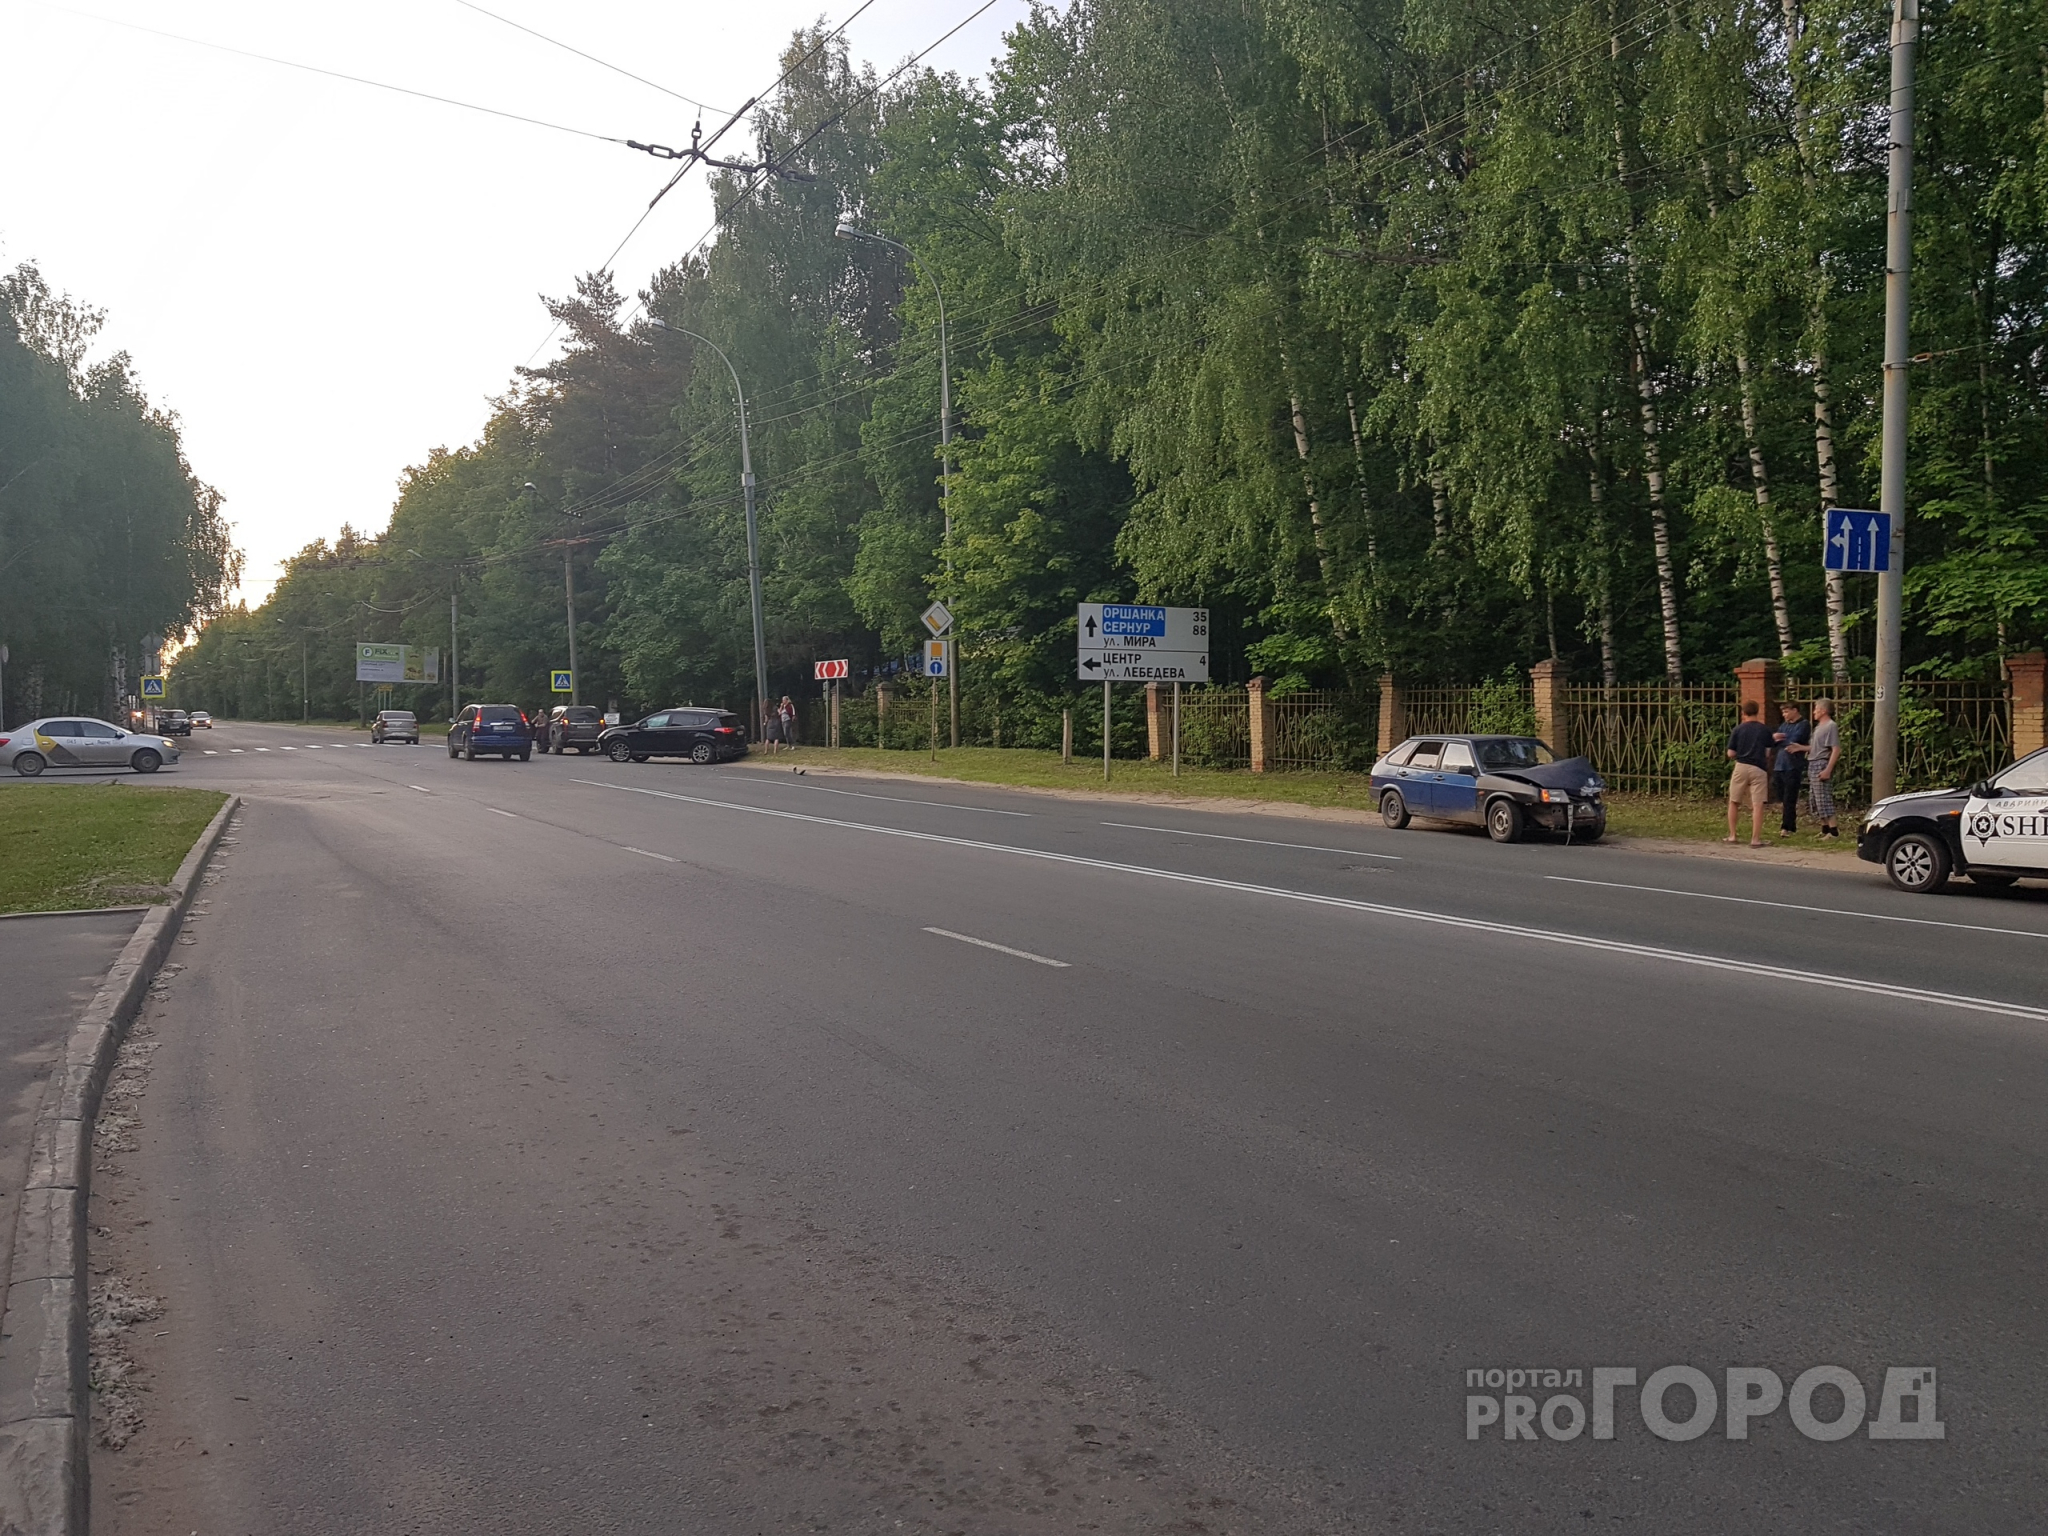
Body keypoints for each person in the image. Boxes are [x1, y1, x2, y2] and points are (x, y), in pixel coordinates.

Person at [1724, 699, 1774, 847]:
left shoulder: (1738, 730)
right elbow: (1767, 752)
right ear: (1757, 711)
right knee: (1758, 804)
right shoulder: (1765, 730)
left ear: (1743, 713)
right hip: (1758, 768)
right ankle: (1755, 839)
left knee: (1734, 801)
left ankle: (1732, 835)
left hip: (1741, 766)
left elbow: (1730, 753)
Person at [1770, 702, 1809, 837]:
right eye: (1783, 713)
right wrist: (1777, 739)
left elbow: (1794, 741)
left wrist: (1780, 739)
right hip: (1780, 764)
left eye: (1786, 712)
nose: (1784, 715)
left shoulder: (1803, 724)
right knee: (1779, 791)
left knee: (1789, 798)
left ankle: (1787, 827)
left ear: (1795, 710)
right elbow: (1774, 741)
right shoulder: (1784, 725)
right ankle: (1789, 824)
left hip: (1793, 765)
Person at [1807, 698, 1842, 840]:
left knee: (1824, 798)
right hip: (1812, 762)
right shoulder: (1818, 727)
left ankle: (1833, 832)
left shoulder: (1830, 726)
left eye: (1816, 709)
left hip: (1821, 764)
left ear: (1823, 710)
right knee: (1815, 799)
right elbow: (1815, 747)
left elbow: (1836, 749)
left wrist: (1828, 769)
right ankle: (1824, 828)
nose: (1814, 712)